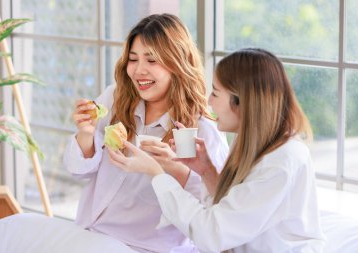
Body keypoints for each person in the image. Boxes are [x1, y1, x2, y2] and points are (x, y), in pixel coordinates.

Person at [108, 48, 326, 252]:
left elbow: (213, 233)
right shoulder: (251, 140)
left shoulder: (281, 161)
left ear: (241, 102)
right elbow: (234, 208)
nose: (209, 102)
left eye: (215, 93)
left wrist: (156, 174)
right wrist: (207, 171)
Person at [63, 13, 229, 253]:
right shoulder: (115, 98)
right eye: (133, 59)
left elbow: (212, 209)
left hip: (151, 247)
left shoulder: (201, 127)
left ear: (177, 63)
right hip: (92, 237)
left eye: (152, 61)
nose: (139, 70)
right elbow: (78, 171)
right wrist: (86, 134)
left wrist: (173, 169)